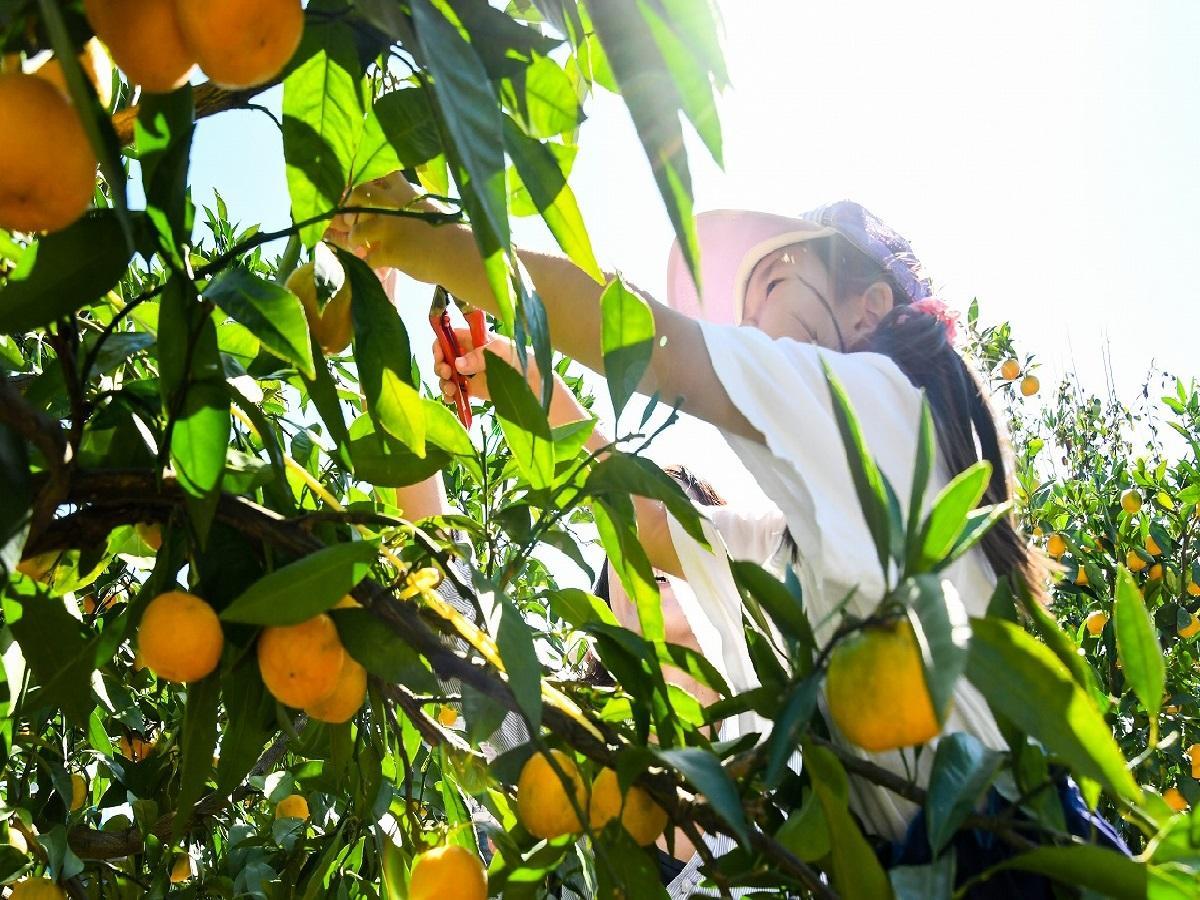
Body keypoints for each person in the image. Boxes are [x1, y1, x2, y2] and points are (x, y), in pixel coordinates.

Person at [336, 177, 1126, 891]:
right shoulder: (800, 550)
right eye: (743, 316)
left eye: (774, 283)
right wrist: (532, 384)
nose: (753, 326)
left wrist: (426, 236)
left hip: (1015, 856)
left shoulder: (892, 407)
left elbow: (654, 344)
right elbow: (651, 527)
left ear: (870, 308)